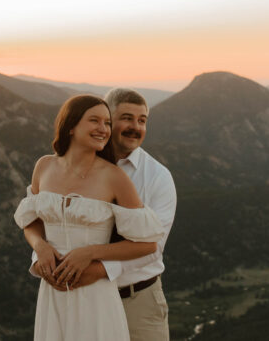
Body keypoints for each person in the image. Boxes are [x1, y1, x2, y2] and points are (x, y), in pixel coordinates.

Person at [15, 95, 164, 341]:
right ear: (71, 126)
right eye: (94, 121)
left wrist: (91, 253)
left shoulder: (114, 177)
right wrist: (39, 246)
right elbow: (30, 222)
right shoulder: (44, 166)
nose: (103, 129)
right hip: (52, 293)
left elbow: (148, 244)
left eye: (106, 123)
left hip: (95, 295)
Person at [68, 88, 177, 341]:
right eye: (127, 118)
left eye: (142, 120)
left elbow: (154, 246)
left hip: (137, 301)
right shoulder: (74, 166)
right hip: (85, 298)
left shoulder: (158, 177)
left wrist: (97, 268)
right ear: (108, 120)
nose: (135, 127)